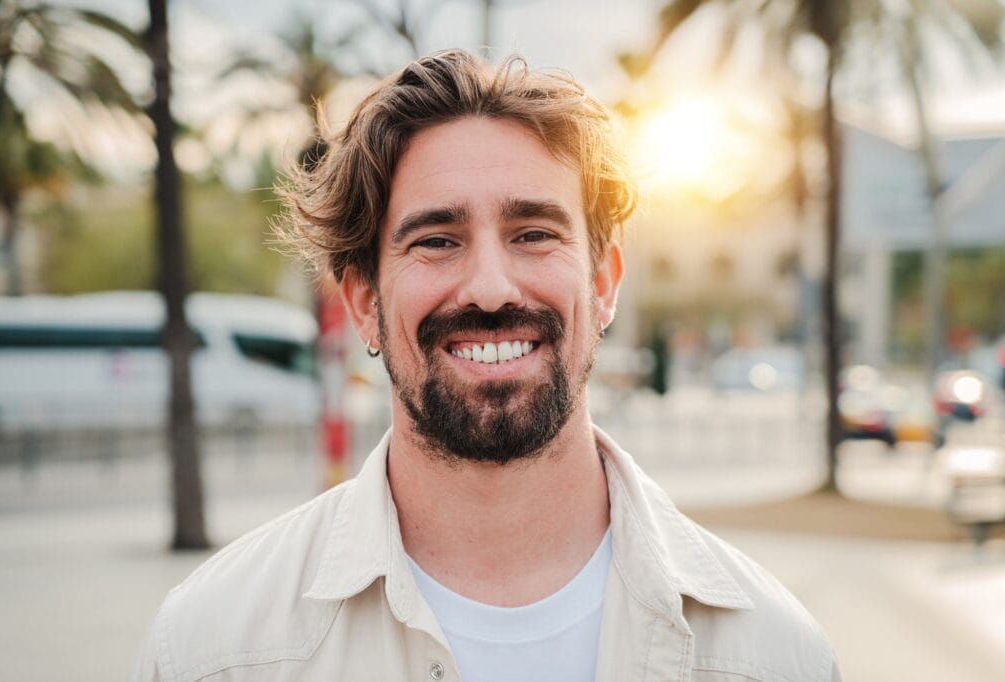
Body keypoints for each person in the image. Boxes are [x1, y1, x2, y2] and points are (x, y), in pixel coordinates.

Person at [132, 49, 840, 682]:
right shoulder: (214, 651)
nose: (492, 287)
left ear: (603, 285)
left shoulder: (774, 657)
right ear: (363, 302)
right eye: (437, 240)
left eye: (533, 233)